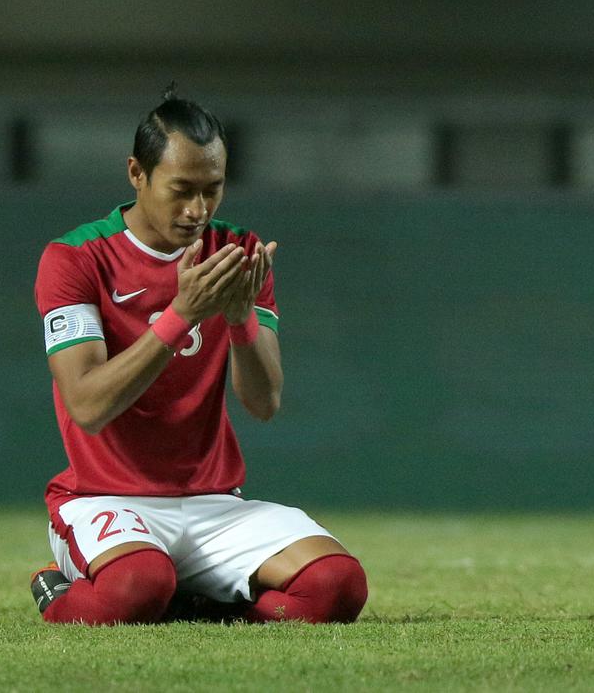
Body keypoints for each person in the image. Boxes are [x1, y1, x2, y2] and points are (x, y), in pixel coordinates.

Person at [29, 88, 367, 625]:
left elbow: (264, 402)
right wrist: (180, 314)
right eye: (182, 190)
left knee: (337, 587)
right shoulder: (76, 258)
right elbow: (88, 404)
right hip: (105, 497)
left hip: (215, 502)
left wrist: (239, 320)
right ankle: (56, 585)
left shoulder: (237, 253)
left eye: (213, 190)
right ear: (137, 173)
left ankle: (195, 602)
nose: (198, 210)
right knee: (136, 587)